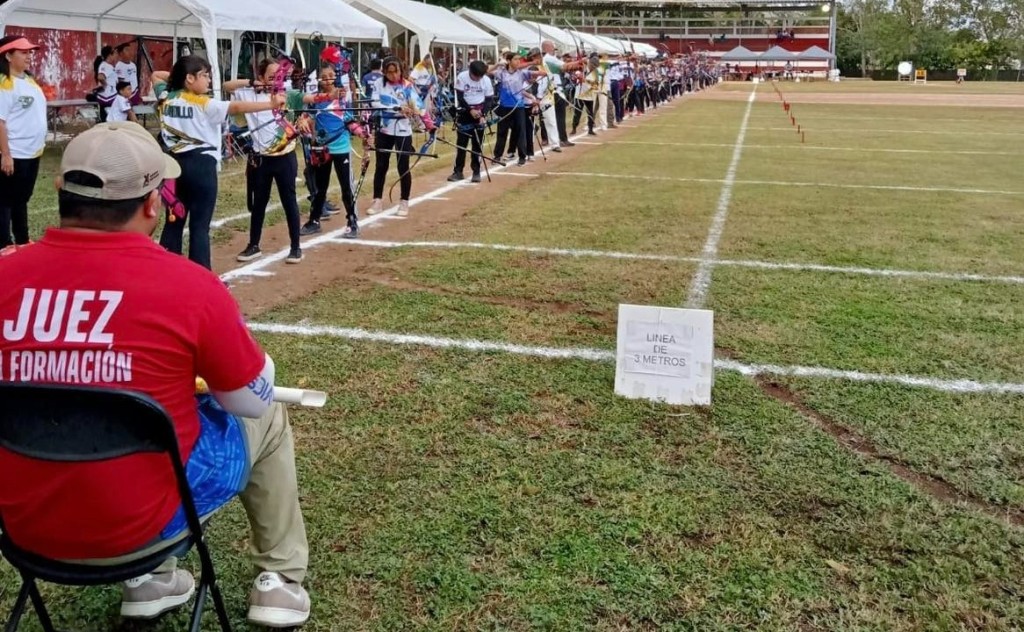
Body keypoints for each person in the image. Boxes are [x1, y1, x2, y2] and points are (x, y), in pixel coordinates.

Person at [0, 121, 312, 629]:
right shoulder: (189, 286)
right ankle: (278, 579)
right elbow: (251, 399)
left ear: (59, 190)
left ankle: (153, 581)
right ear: (152, 204)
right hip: (142, 525)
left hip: (24, 527)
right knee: (269, 415)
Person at [152, 55, 284, 270]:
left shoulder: (165, 96)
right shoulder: (203, 103)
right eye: (204, 75)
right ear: (190, 78)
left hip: (173, 168)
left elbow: (156, 76)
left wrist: (177, 80)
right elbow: (236, 107)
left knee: (174, 221)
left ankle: (168, 272)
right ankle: (201, 277)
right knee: (199, 227)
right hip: (201, 167)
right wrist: (270, 104)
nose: (209, 80)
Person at [222, 58, 310, 263]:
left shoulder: (286, 93)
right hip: (260, 159)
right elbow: (226, 86)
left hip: (284, 157)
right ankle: (253, 245)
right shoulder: (249, 93)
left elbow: (309, 99)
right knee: (259, 203)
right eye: (271, 77)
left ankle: (295, 247)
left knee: (289, 201)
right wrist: (251, 83)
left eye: (279, 76)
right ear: (261, 77)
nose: (276, 80)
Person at [299, 62, 372, 237]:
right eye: (323, 77)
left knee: (346, 187)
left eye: (331, 76)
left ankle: (352, 221)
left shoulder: (342, 99)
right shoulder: (315, 100)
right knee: (320, 188)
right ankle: (314, 220)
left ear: (336, 77)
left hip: (341, 148)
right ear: (319, 80)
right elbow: (306, 117)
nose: (327, 80)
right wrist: (303, 123)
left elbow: (349, 121)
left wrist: (363, 134)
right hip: (322, 149)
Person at [369, 57, 434, 217]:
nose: (393, 75)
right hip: (384, 129)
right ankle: (377, 200)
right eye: (389, 72)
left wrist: (429, 124)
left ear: (401, 71)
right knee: (381, 166)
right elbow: (375, 103)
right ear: (384, 72)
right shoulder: (379, 84)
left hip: (403, 131)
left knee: (403, 167)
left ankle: (404, 201)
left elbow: (418, 106)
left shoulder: (406, 86)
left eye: (396, 72)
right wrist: (397, 107)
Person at [0, 35, 47, 250]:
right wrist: (6, 154)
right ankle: (4, 243)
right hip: (14, 152)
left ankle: (22, 239)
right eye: (23, 52)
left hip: (32, 152)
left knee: (21, 198)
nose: (29, 56)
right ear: (8, 56)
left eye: (30, 52)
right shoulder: (4, 83)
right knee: (4, 200)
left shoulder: (28, 80)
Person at [447, 60, 493, 183]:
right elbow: (460, 97)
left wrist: (483, 114)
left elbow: (489, 100)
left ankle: (476, 171)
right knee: (461, 144)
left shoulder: (486, 80)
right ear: (470, 72)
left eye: (480, 76)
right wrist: (470, 110)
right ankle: (458, 171)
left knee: (477, 144)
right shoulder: (462, 77)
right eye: (475, 76)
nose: (478, 79)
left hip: (480, 112)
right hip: (465, 112)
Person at [93, 45, 118, 122]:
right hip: (108, 97)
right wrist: (105, 84)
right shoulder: (105, 65)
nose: (116, 55)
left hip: (111, 96)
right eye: (114, 53)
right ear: (110, 55)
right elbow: (100, 77)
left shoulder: (109, 66)